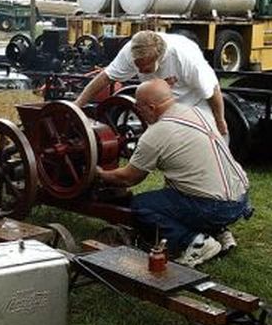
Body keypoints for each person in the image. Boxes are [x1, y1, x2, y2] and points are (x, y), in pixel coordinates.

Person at [96, 79, 252, 267]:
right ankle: (219, 231)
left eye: (139, 107)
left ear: (151, 108)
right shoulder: (197, 112)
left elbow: (128, 178)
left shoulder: (157, 134)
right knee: (178, 192)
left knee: (141, 206)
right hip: (241, 198)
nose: (137, 111)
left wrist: (99, 173)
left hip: (215, 207)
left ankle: (195, 242)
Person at [74, 30, 228, 137]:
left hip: (194, 103)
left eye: (145, 67)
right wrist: (77, 105)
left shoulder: (184, 57)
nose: (140, 70)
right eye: (137, 66)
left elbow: (213, 89)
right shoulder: (130, 51)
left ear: (159, 58)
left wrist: (220, 120)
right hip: (161, 106)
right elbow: (105, 78)